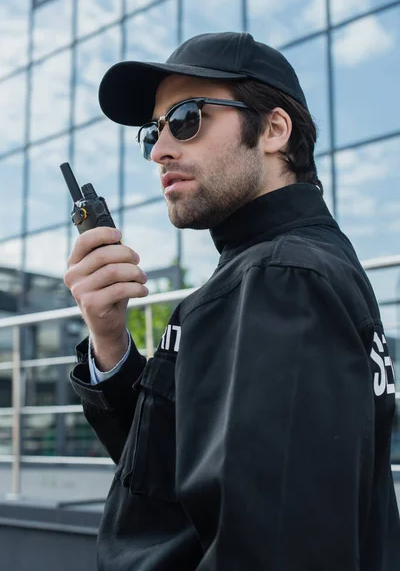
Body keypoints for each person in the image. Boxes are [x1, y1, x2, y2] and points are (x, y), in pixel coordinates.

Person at [65, 32, 400, 570]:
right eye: (154, 130)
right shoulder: (267, 272)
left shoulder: (283, 278)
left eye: (187, 118)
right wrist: (109, 338)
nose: (159, 149)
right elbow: (175, 476)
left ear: (273, 129)